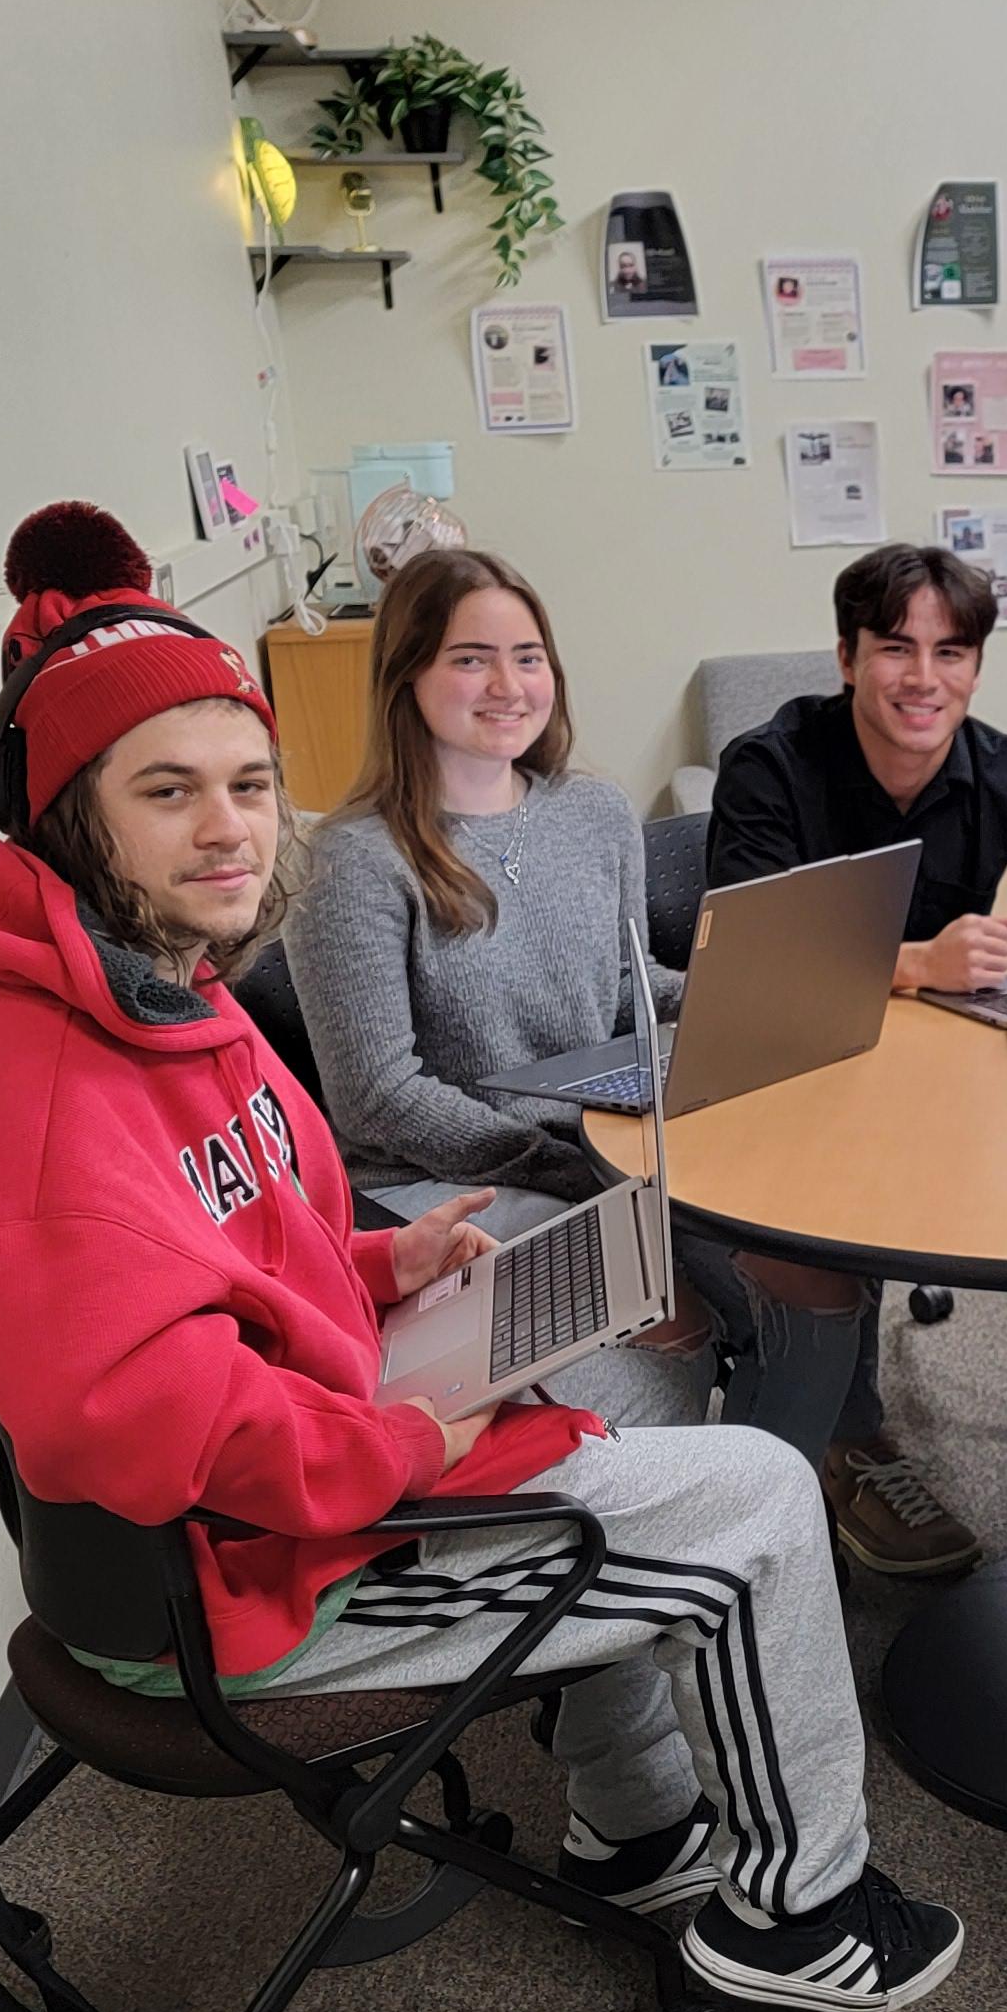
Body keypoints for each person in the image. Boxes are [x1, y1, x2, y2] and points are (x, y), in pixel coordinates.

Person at [0, 504, 960, 2012]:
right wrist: (390, 1436)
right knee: (759, 1497)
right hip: (252, 1579)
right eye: (167, 792)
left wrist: (384, 1272)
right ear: (66, 818)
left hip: (298, 1457)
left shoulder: (155, 998)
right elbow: (115, 1412)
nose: (232, 829)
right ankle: (796, 1921)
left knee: (605, 1398)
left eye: (248, 785)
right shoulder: (42, 1084)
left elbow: (239, 1238)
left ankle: (634, 1830)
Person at [287, 547, 865, 1460]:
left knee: (813, 1278)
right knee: (670, 1318)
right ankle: (703, 1517)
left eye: (528, 656)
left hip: (600, 1144)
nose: (508, 684)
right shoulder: (354, 859)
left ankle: (766, 1498)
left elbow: (628, 994)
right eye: (470, 658)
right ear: (408, 676)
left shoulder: (593, 812)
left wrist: (759, 1002)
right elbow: (377, 1096)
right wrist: (559, 1162)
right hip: (449, 1181)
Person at [708, 542, 1007, 1572]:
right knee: (825, 1189)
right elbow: (753, 952)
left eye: (951, 652)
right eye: (895, 648)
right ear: (846, 657)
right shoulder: (774, 763)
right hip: (819, 1066)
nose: (923, 678)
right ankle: (850, 1448)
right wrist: (915, 964)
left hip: (958, 1068)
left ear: (976, 667)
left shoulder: (1002, 764)